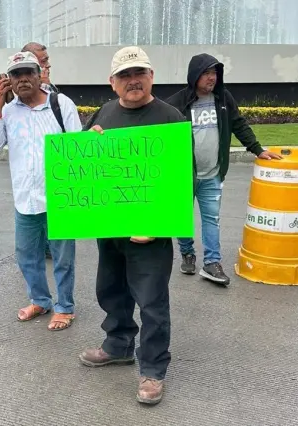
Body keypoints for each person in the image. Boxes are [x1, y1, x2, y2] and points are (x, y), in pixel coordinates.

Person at [79, 46, 191, 405]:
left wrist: (160, 226)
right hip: (110, 227)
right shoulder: (104, 112)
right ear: (112, 83)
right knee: (110, 289)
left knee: (152, 301)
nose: (133, 81)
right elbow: (82, 170)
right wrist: (87, 145)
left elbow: (183, 180)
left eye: (139, 73)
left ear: (151, 77)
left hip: (150, 233)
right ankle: (118, 344)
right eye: (125, 75)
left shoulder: (171, 117)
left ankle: (153, 368)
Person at [0, 51, 81, 331]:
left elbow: (77, 149)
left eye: (28, 72)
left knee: (63, 257)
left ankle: (65, 306)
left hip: (59, 198)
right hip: (25, 199)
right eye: (16, 74)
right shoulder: (8, 111)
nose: (23, 79)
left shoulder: (60, 104)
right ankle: (40, 300)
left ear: (40, 75)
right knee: (27, 255)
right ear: (8, 80)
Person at [166, 53, 282, 286]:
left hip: (213, 173)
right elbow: (158, 130)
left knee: (212, 218)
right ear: (194, 75)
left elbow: (238, 123)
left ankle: (212, 262)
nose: (212, 78)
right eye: (207, 73)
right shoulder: (177, 102)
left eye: (215, 73)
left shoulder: (223, 98)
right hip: (183, 175)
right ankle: (187, 253)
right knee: (182, 218)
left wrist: (257, 149)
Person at [21, 41, 57, 259]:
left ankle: (48, 244)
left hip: (53, 163)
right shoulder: (17, 92)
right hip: (30, 167)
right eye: (43, 61)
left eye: (47, 60)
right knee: (33, 207)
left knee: (50, 207)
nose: (48, 65)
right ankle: (39, 245)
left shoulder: (51, 89)